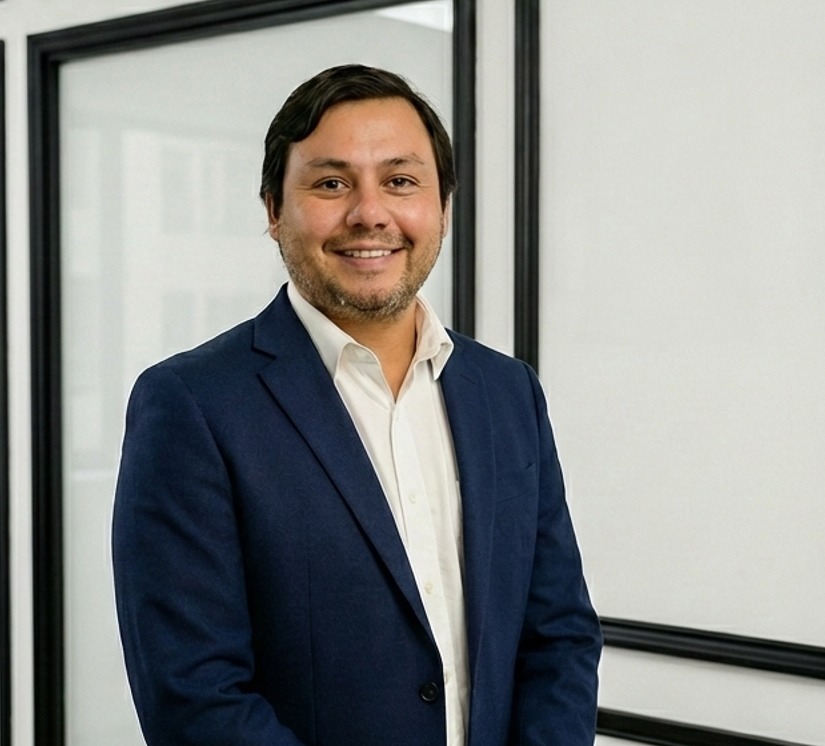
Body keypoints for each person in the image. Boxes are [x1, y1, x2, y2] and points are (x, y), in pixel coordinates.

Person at [112, 64, 601, 746]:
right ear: (273, 210)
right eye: (331, 183)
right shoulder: (191, 405)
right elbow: (194, 696)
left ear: (443, 207)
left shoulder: (507, 392)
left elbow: (558, 636)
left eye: (400, 181)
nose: (370, 213)